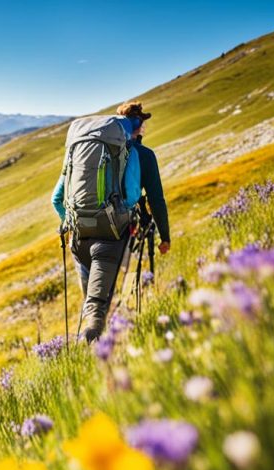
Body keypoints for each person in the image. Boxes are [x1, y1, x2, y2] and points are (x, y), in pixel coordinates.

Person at [51, 114, 142, 342]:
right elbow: (131, 196)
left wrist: (69, 220)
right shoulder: (128, 151)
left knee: (89, 301)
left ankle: (92, 350)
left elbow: (56, 198)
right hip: (110, 237)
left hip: (79, 237)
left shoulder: (74, 152)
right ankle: (101, 346)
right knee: (98, 307)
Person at [117, 101, 171, 256]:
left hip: (90, 222)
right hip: (122, 225)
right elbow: (156, 200)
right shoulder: (145, 155)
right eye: (142, 122)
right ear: (138, 126)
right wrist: (165, 238)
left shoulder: (105, 151)